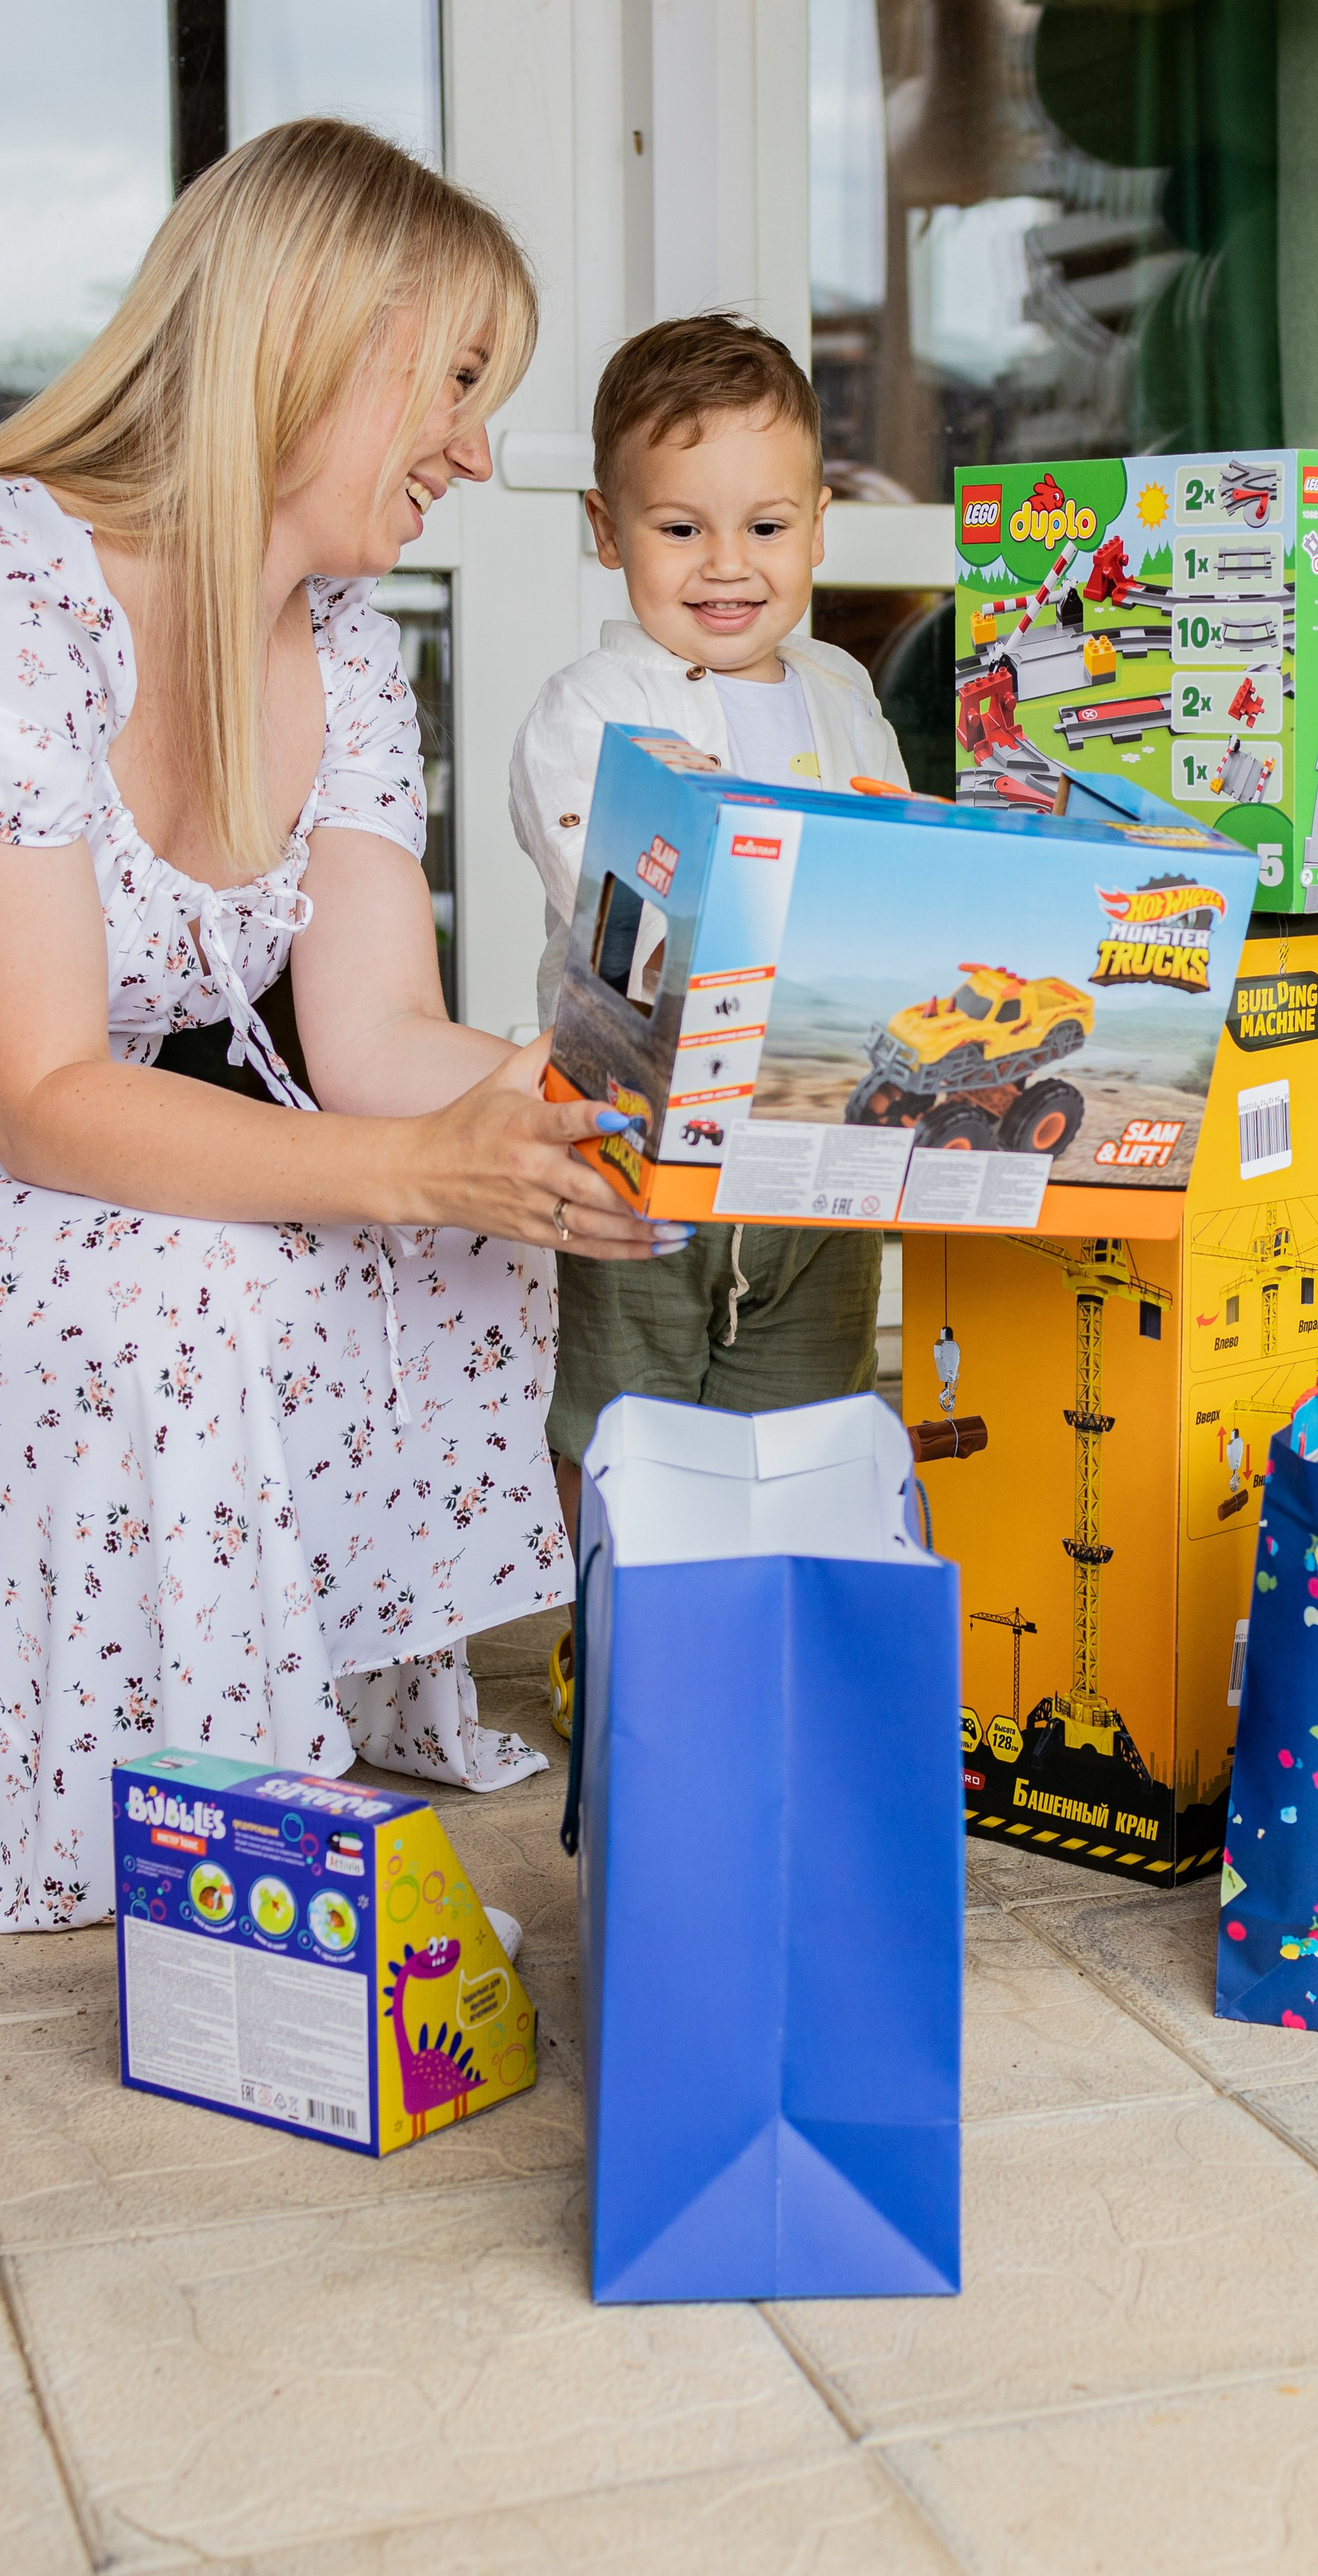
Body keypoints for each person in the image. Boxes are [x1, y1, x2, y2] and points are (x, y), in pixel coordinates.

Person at [0, 118, 688, 1933]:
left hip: (72, 1144)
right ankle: (167, 1787)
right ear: (302, 331)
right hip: (31, 1144)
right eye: (458, 380)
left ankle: (300, 1693)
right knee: (212, 1271)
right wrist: (411, 1164)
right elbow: (47, 1097)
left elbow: (377, 1031)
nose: (477, 447)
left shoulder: (346, 639)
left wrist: (640, 1096)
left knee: (487, 1218)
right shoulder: (17, 594)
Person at [510, 315, 909, 1556]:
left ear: (820, 525)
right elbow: (632, 911)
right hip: (644, 1139)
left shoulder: (842, 691)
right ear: (604, 528)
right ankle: (617, 1631)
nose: (726, 566)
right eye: (680, 528)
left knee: (802, 1405)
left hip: (809, 1148)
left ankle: (756, 1614)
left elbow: (892, 877)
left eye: (767, 528)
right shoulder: (593, 714)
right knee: (623, 1409)